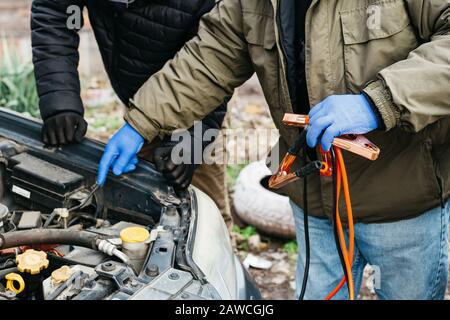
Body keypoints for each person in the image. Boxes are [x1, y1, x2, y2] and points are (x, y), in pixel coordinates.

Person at [97, 0, 450, 299]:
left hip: (405, 200)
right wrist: (140, 122)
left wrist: (378, 102)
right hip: (314, 197)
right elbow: (210, 58)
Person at [31, 0, 232, 226]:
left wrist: (195, 141)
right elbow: (57, 14)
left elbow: (216, 63)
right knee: (139, 209)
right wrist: (60, 99)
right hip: (137, 106)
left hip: (197, 108)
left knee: (206, 216)